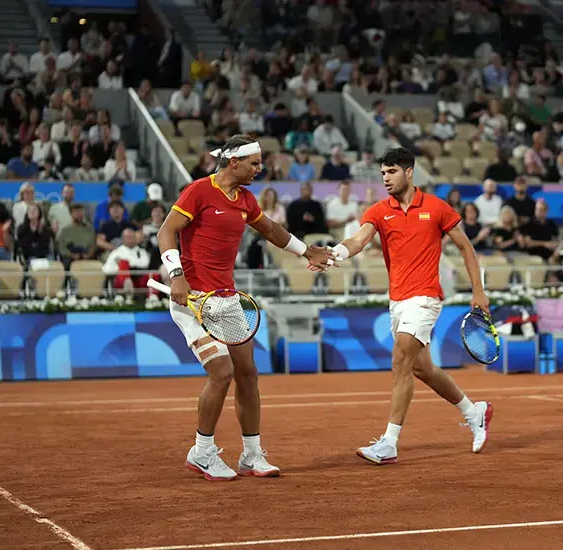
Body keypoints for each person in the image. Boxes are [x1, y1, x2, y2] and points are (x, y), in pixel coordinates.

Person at [158, 134, 334, 481]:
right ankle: (202, 451)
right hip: (193, 303)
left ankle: (251, 455)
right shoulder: (198, 191)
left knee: (248, 375)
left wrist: (306, 251)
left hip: (228, 300)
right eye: (254, 163)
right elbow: (167, 232)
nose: (260, 168)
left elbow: (270, 229)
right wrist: (176, 274)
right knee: (221, 373)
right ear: (233, 162)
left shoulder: (246, 199)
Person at [319, 147, 493, 465]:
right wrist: (335, 253)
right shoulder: (377, 211)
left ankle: (389, 442)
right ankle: (474, 411)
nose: (385, 178)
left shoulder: (437, 208)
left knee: (400, 357)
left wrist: (478, 291)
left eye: (391, 172)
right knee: (421, 368)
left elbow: (467, 248)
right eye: (383, 173)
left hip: (426, 297)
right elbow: (358, 240)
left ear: (409, 172)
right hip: (397, 300)